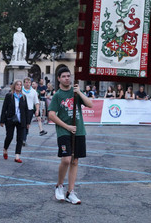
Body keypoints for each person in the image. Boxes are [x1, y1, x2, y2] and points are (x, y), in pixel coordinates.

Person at [48, 67, 92, 205]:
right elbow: (51, 115)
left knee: (75, 161)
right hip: (64, 130)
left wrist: (79, 92)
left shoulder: (76, 92)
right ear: (59, 79)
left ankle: (70, 192)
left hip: (78, 130)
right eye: (64, 76)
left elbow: (90, 104)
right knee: (66, 159)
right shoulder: (57, 95)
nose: (67, 78)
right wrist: (66, 126)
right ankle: (59, 186)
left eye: (69, 76)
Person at [0, 79, 29, 163]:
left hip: (21, 120)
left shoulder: (23, 97)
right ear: (14, 86)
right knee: (9, 136)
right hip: (10, 119)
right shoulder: (9, 96)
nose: (19, 86)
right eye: (17, 85)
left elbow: (26, 110)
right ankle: (5, 149)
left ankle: (17, 156)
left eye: (20, 85)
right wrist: (2, 120)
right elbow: (4, 108)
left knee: (20, 138)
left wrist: (27, 122)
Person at [22, 77, 41, 146]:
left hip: (29, 110)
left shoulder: (33, 91)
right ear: (23, 83)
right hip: (21, 110)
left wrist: (37, 110)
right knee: (22, 125)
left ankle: (24, 138)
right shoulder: (21, 90)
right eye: (26, 82)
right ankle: (22, 139)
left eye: (29, 82)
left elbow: (36, 102)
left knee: (27, 125)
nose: (28, 84)